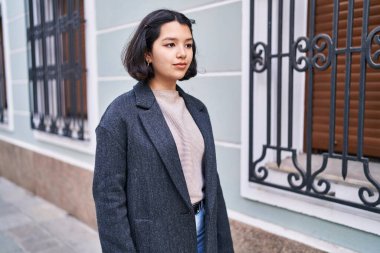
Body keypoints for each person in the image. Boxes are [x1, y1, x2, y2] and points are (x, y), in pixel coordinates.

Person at [92, 9, 234, 253]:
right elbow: (108, 199)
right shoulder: (121, 114)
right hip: (154, 241)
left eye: (188, 45)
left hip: (204, 233)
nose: (182, 53)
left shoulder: (198, 110)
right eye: (170, 44)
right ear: (147, 53)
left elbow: (212, 184)